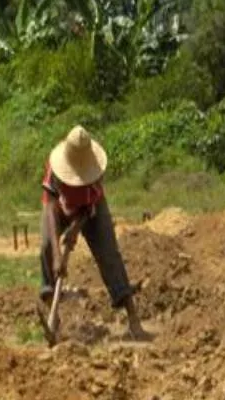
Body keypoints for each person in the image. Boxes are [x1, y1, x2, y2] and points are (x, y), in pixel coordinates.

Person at [39, 125, 150, 340]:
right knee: (46, 246)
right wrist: (57, 255)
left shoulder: (94, 172)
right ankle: (51, 309)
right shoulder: (55, 169)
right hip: (60, 208)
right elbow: (50, 205)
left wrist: (74, 231)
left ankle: (134, 319)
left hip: (91, 210)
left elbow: (89, 210)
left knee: (109, 255)